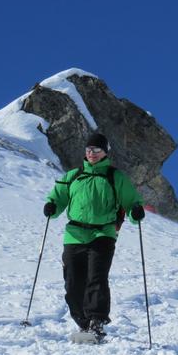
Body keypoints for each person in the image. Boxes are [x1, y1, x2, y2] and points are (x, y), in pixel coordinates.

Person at [43, 133, 144, 340]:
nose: (92, 153)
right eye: (89, 150)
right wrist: (52, 206)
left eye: (97, 150)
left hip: (103, 233)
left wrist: (135, 211)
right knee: (72, 283)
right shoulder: (73, 176)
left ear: (105, 152)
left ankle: (96, 321)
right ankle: (83, 322)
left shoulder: (115, 176)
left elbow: (131, 200)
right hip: (74, 234)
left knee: (96, 278)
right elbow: (58, 197)